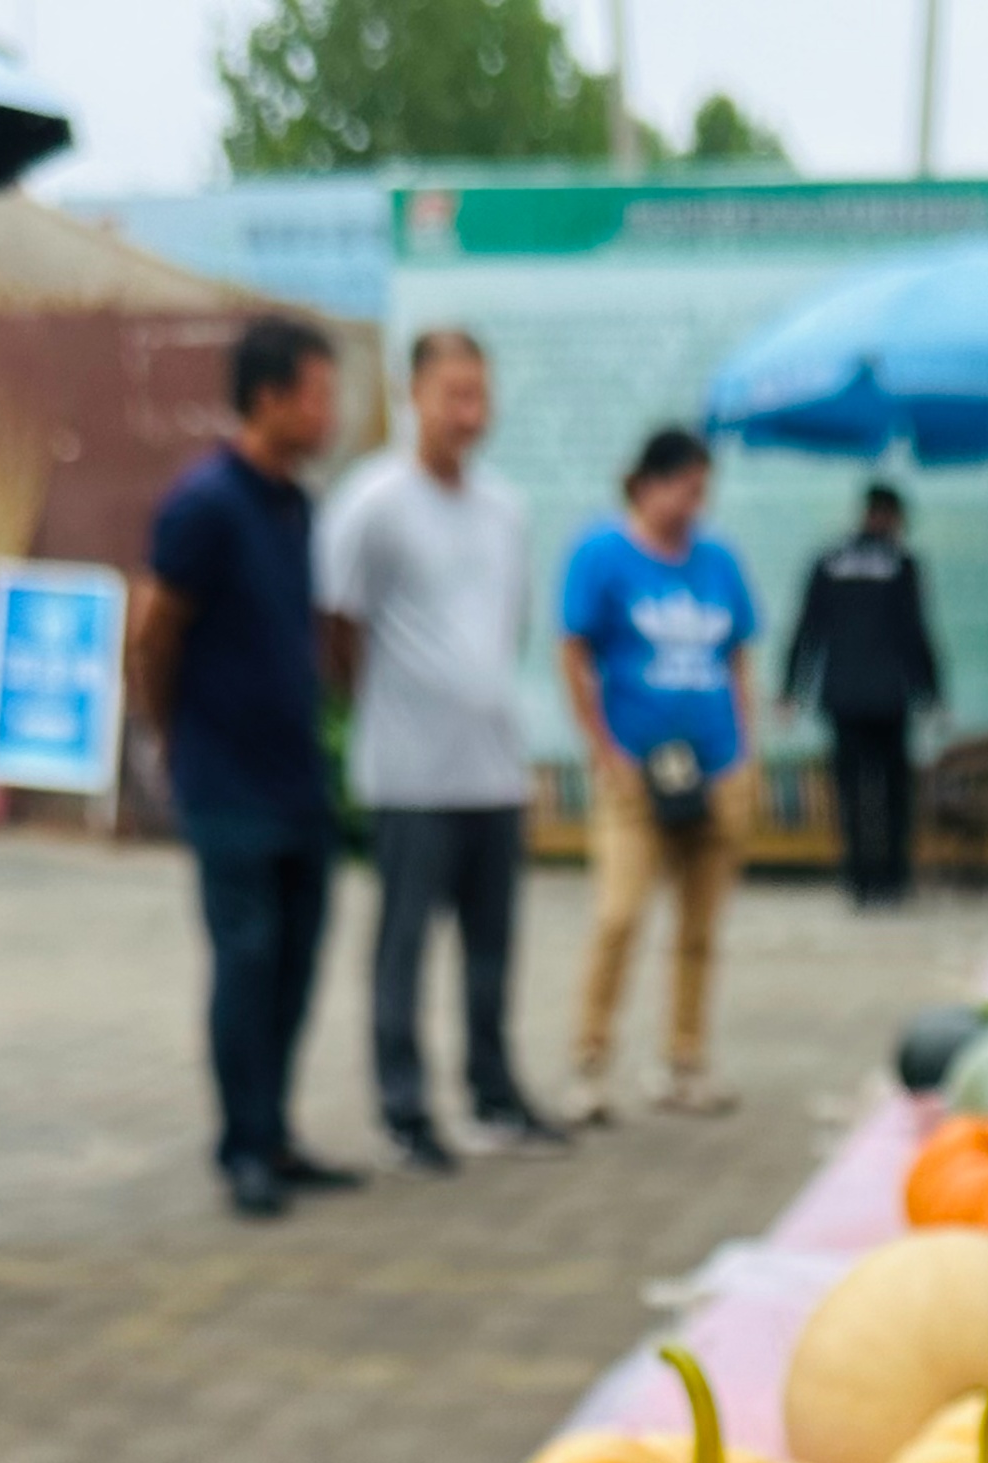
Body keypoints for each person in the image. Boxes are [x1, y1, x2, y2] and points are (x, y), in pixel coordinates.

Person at [131, 315, 362, 1221]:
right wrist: (172, 735)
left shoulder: (297, 504)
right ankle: (241, 1148)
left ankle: (275, 1133)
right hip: (227, 782)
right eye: (318, 395)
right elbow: (155, 632)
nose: (330, 414)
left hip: (296, 774)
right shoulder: (205, 504)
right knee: (247, 958)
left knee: (297, 960)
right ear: (268, 399)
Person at [318, 326, 563, 1177]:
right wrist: (382, 708)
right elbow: (336, 626)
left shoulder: (504, 508)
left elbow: (509, 625)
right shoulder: (372, 502)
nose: (470, 413)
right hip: (409, 774)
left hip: (491, 767)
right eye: (454, 395)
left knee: (492, 948)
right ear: (412, 393)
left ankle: (494, 1092)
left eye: (480, 395)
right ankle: (405, 1109)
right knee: (404, 946)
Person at [557, 427, 761, 1121]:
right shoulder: (601, 554)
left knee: (699, 929)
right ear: (646, 484)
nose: (694, 504)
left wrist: (746, 751)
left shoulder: (718, 560)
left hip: (716, 768)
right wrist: (602, 747)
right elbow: (573, 651)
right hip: (634, 775)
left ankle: (685, 1062)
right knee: (618, 916)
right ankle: (589, 1063)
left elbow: (739, 656)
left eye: (703, 491)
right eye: (684, 488)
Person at [783, 482, 943, 905]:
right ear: (889, 517)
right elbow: (915, 633)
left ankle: (858, 878)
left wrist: (792, 688)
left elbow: (808, 629)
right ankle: (893, 878)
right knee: (894, 792)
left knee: (851, 791)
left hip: (844, 695)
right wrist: (931, 692)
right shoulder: (901, 564)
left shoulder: (829, 561)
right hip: (890, 697)